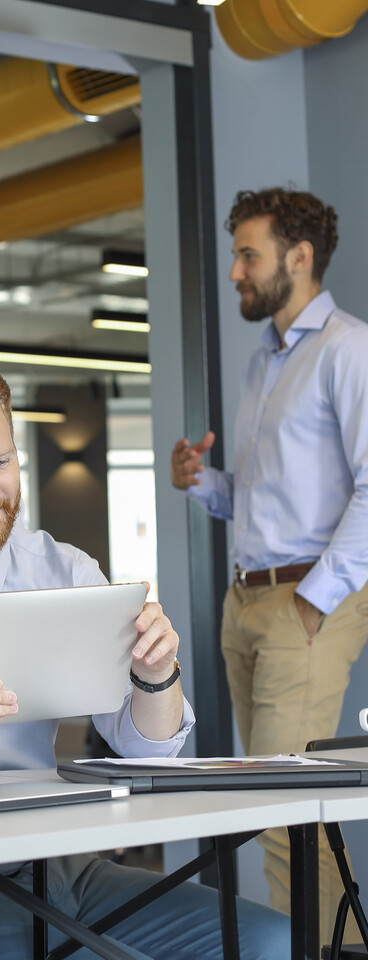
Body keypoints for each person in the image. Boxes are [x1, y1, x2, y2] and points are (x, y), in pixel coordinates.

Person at [0, 357, 289, 960]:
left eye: (1, 462)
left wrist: (155, 677)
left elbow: (148, 749)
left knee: (272, 941)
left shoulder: (65, 570)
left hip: (59, 861)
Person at [171, 187, 368, 936]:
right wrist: (201, 483)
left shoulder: (348, 349)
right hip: (248, 600)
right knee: (280, 813)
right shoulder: (266, 363)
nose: (234, 271)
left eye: (247, 254)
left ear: (300, 257)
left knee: (287, 816)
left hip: (305, 601)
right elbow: (258, 501)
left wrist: (315, 600)